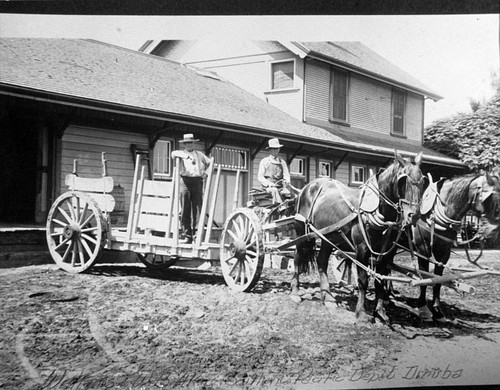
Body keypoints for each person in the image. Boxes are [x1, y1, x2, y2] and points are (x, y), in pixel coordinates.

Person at [172, 134, 212, 244]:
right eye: (186, 143)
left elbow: (211, 163)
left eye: (190, 143)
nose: (189, 145)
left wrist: (206, 174)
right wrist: (185, 156)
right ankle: (187, 236)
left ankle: (197, 236)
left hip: (197, 181)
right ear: (184, 144)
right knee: (185, 209)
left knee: (198, 209)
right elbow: (173, 153)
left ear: (193, 143)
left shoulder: (199, 154)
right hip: (184, 181)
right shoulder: (181, 153)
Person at [258, 138, 291, 203]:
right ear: (270, 150)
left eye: (277, 148)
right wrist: (269, 184)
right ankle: (280, 206)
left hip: (281, 187)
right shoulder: (264, 161)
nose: (276, 150)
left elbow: (286, 175)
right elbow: (260, 177)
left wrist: (286, 181)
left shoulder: (282, 162)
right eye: (274, 149)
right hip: (268, 188)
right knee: (274, 190)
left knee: (290, 193)